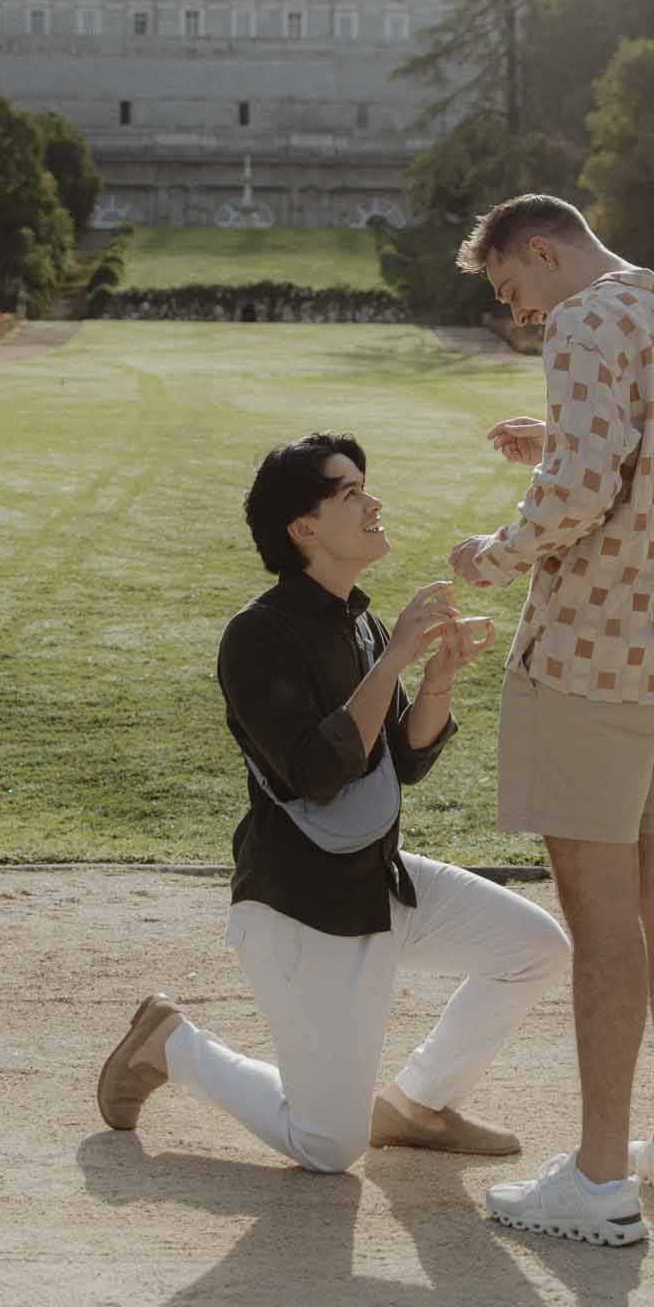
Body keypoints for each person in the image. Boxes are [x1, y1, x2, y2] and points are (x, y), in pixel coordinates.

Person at [97, 432, 572, 1180]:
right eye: (350, 492)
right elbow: (317, 773)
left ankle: (418, 1105)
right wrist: (394, 659)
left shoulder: (359, 620)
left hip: (379, 881)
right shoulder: (255, 637)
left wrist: (439, 673)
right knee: (327, 1146)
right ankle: (174, 1045)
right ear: (305, 530)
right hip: (301, 909)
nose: (373, 501)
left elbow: (405, 759)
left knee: (535, 948)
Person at [447, 194, 654, 1246]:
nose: (524, 314)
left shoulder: (586, 321)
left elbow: (583, 491)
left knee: (602, 919)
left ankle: (596, 1176)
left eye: (513, 290)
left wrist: (491, 554)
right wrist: (559, 441)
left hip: (590, 651)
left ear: (545, 250)